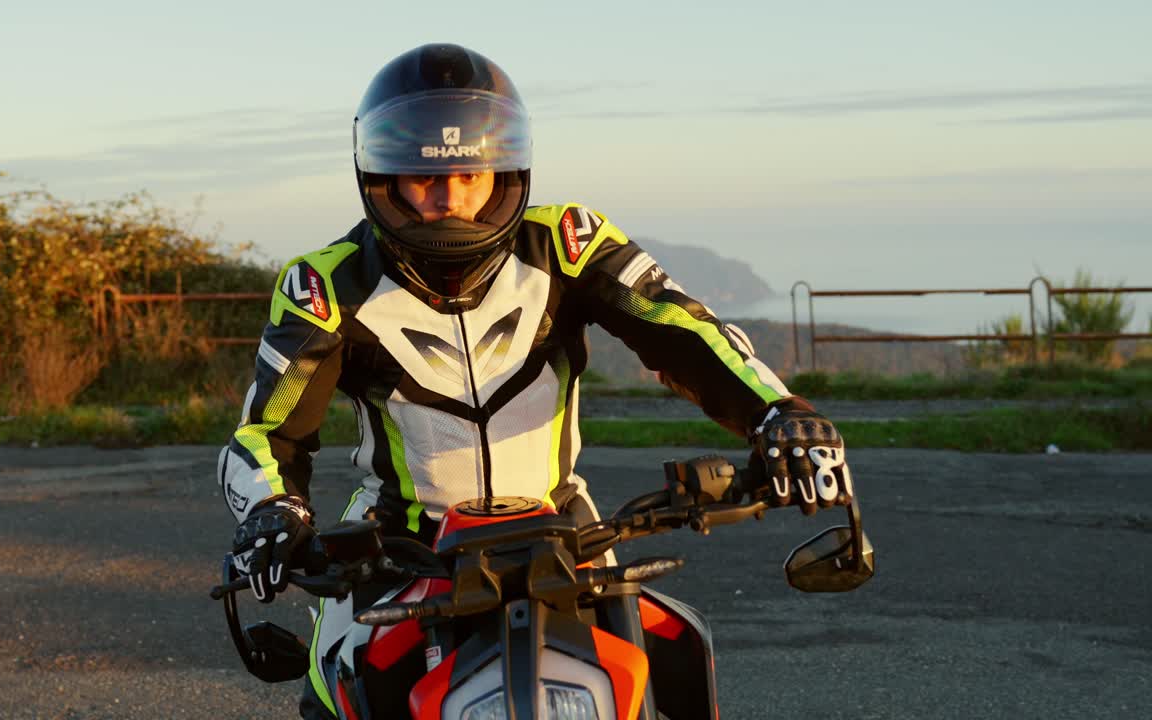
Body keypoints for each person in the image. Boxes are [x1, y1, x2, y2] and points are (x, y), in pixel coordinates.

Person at [217, 42, 855, 717]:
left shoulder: (571, 244)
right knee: (335, 690)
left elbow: (685, 331)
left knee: (675, 662)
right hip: (398, 548)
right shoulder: (326, 283)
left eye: (471, 176)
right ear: (384, 177)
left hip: (565, 530)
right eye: (426, 178)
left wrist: (781, 415)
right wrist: (272, 508)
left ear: (504, 170)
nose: (451, 199)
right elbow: (268, 434)